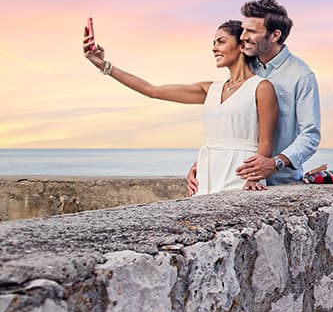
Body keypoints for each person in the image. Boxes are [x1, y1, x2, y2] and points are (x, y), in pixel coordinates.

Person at [83, 20, 278, 195]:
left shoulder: (261, 87)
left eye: (221, 41)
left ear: (242, 45)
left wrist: (253, 178)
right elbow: (151, 90)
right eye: (213, 43)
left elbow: (266, 141)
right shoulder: (209, 89)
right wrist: (103, 66)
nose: (214, 48)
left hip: (241, 174)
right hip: (207, 175)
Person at [186, 0, 321, 194]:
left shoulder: (301, 75)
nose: (243, 36)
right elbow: (234, 125)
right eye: (243, 30)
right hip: (236, 179)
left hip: (279, 184)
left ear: (274, 35)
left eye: (251, 31)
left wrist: (276, 163)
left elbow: (310, 135)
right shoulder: (246, 65)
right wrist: (205, 164)